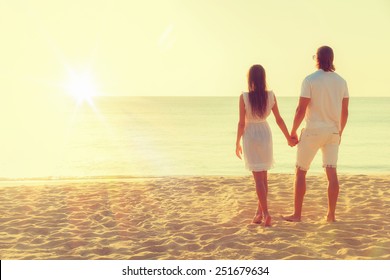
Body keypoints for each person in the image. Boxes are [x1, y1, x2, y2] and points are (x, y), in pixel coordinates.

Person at [283, 46, 349, 223]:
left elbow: (300, 109)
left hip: (313, 131)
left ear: (317, 59)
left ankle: (297, 214)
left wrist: (293, 131)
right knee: (332, 173)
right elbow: (345, 112)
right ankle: (331, 215)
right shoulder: (341, 81)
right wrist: (340, 132)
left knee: (301, 171)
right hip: (333, 132)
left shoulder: (310, 80)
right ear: (332, 59)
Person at [236, 64, 296, 226]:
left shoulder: (244, 97)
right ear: (264, 78)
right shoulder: (270, 96)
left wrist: (236, 143)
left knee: (258, 179)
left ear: (250, 79)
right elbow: (279, 119)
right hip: (264, 133)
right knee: (264, 177)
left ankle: (266, 213)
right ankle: (259, 212)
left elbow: (241, 123)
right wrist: (288, 137)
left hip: (250, 135)